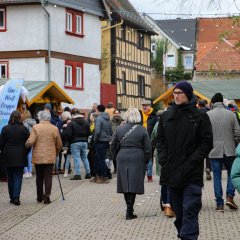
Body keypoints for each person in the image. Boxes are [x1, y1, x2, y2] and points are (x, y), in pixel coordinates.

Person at [156, 81, 213, 240]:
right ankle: (184, 235)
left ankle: (188, 237)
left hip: (191, 173)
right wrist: (163, 159)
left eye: (180, 92)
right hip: (172, 172)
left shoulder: (200, 116)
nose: (176, 95)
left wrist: (192, 161)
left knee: (190, 209)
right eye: (175, 93)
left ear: (188, 94)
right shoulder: (167, 115)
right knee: (179, 213)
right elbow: (160, 140)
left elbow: (206, 143)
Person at [111, 107, 151, 220]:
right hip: (137, 157)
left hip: (122, 156)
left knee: (125, 183)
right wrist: (146, 160)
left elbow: (112, 146)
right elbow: (148, 148)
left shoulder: (119, 129)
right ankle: (130, 210)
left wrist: (116, 157)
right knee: (133, 183)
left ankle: (129, 209)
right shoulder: (142, 129)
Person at [207, 93, 240, 212]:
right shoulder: (231, 114)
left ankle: (219, 204)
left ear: (213, 102)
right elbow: (237, 132)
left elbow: (205, 134)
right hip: (229, 149)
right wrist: (234, 142)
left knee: (216, 177)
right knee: (232, 174)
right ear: (222, 102)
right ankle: (230, 197)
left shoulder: (208, 115)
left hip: (214, 150)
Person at [26, 110, 62, 204]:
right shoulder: (54, 128)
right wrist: (56, 153)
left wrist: (25, 145)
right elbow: (59, 144)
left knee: (39, 177)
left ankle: (39, 197)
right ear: (49, 118)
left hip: (38, 157)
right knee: (48, 177)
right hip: (50, 157)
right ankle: (47, 197)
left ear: (40, 117)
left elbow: (30, 142)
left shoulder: (36, 127)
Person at [0, 110, 30, 205]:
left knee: (10, 177)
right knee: (18, 177)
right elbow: (28, 143)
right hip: (20, 155)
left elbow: (1, 143)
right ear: (20, 118)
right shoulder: (24, 129)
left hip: (8, 155)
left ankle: (12, 197)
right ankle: (16, 197)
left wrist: (4, 152)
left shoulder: (5, 128)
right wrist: (25, 152)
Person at [63, 108, 91, 180]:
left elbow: (67, 134)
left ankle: (77, 174)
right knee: (84, 157)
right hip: (84, 142)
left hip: (75, 142)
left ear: (72, 114)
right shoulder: (86, 122)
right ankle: (88, 173)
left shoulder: (71, 123)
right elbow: (89, 133)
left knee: (76, 158)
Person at [91, 104, 112, 184]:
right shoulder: (108, 118)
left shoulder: (99, 118)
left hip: (99, 141)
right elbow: (111, 131)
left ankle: (104, 177)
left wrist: (95, 140)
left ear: (98, 110)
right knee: (98, 159)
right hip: (106, 141)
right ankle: (98, 176)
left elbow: (97, 131)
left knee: (100, 160)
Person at [139, 99, 157, 182]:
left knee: (149, 158)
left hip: (150, 140)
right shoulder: (139, 115)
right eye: (143, 105)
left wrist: (155, 141)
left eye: (146, 105)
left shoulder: (154, 116)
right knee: (140, 158)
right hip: (139, 140)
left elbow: (156, 129)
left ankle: (149, 176)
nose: (144, 107)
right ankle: (141, 174)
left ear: (150, 106)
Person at [197, 99, 212, 181]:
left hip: (199, 138)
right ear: (205, 104)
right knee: (208, 155)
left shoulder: (197, 113)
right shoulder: (209, 112)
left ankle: (200, 172)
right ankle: (208, 167)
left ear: (198, 105)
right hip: (208, 137)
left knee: (200, 156)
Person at [22, 110, 36, 178]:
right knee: (30, 156)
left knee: (24, 156)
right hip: (32, 141)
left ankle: (26, 171)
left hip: (25, 141)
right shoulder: (34, 123)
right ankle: (30, 171)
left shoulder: (24, 123)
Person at [60, 111, 72, 178]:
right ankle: (67, 170)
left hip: (67, 143)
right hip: (65, 143)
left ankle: (66, 171)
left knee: (67, 157)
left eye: (63, 117)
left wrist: (63, 129)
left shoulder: (68, 124)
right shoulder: (64, 123)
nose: (62, 118)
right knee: (67, 157)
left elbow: (66, 134)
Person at [110, 109, 123, 173]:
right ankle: (115, 168)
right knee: (114, 155)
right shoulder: (111, 122)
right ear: (113, 114)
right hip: (113, 141)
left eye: (118, 113)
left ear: (120, 113)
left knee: (121, 155)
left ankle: (120, 168)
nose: (116, 114)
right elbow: (109, 130)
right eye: (115, 113)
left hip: (122, 141)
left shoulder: (123, 121)